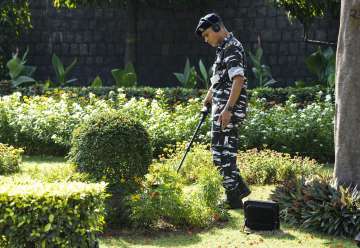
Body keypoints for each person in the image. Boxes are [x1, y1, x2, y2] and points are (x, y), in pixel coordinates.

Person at [195, 13, 251, 209]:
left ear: (217, 28)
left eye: (207, 34)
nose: (206, 39)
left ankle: (233, 199)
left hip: (228, 109)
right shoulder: (223, 49)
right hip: (221, 107)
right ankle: (239, 190)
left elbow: (238, 79)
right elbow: (220, 78)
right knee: (220, 154)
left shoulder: (232, 47)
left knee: (223, 155)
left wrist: (228, 109)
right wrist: (209, 97)